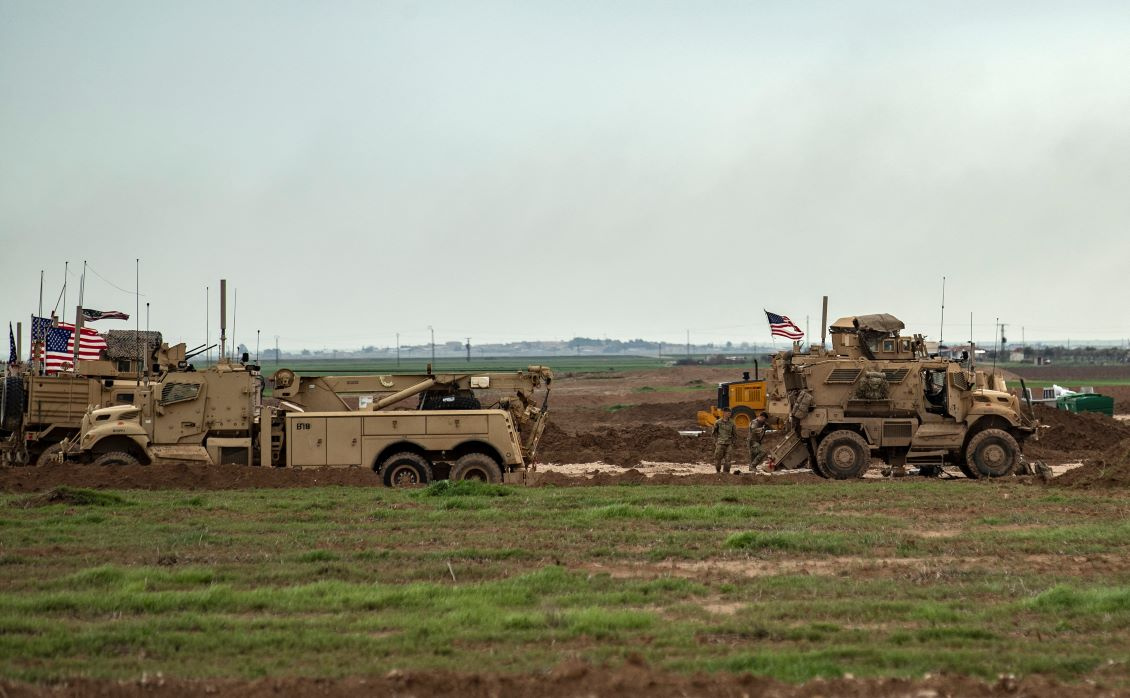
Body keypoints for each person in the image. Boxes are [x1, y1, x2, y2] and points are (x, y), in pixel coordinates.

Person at [712, 408, 736, 473]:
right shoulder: (718, 422)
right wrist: (715, 442)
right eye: (728, 413)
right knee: (717, 460)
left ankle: (726, 474)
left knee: (728, 461)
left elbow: (734, 434)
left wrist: (733, 443)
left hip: (729, 444)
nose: (729, 414)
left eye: (730, 413)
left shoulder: (732, 423)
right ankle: (718, 472)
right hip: (720, 443)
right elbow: (714, 433)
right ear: (724, 413)